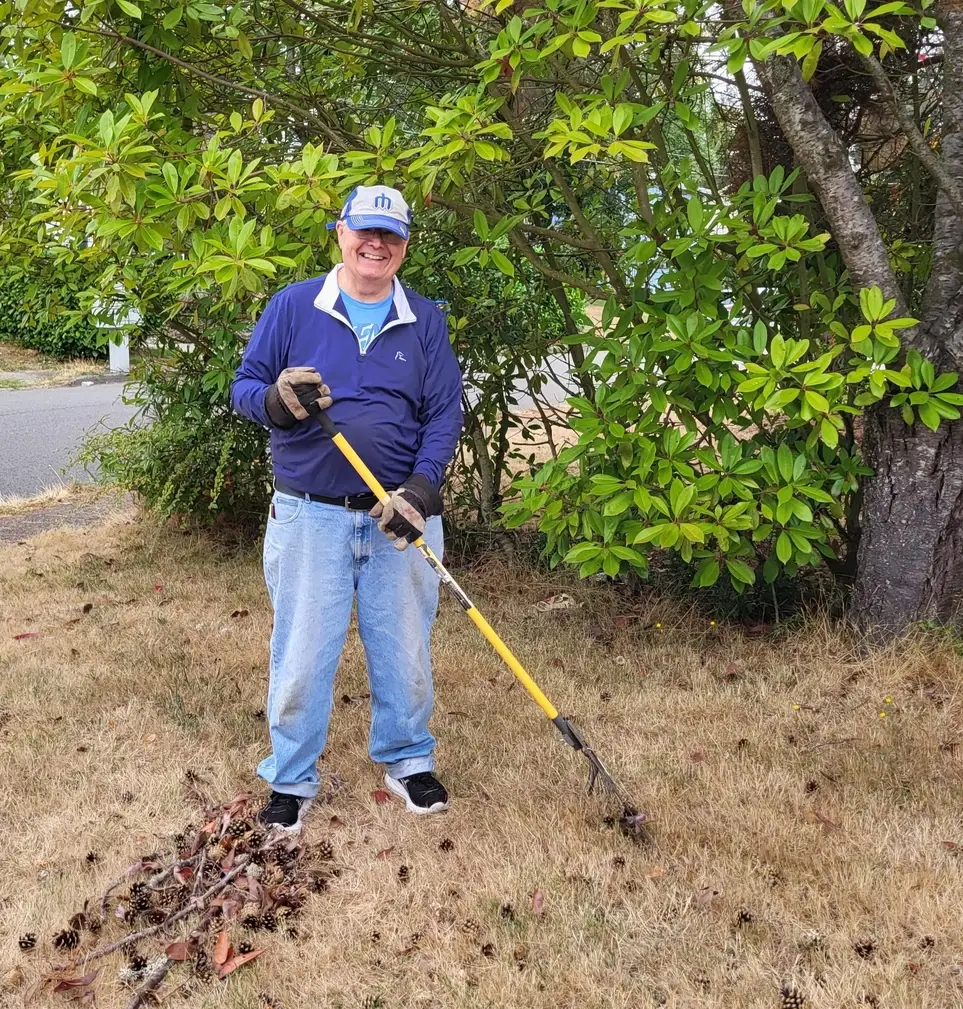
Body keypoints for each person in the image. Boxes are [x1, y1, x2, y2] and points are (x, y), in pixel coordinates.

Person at [231, 185, 463, 831]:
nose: (375, 245)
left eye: (390, 236)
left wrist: (420, 491)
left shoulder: (424, 319)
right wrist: (273, 402)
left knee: (405, 648)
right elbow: (244, 386)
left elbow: (443, 412)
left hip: (401, 518)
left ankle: (408, 758)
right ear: (340, 232)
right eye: (365, 231)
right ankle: (291, 776)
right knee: (303, 652)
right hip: (309, 514)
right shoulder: (295, 305)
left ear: (404, 246)